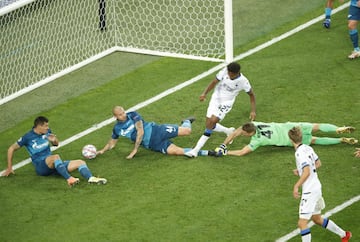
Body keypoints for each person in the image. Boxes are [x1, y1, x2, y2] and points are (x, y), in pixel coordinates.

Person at [288, 126, 352, 242]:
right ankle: (344, 235)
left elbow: (307, 171)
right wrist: (300, 171)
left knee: (302, 223)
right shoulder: (308, 148)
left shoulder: (298, 153)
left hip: (309, 190)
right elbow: (318, 163)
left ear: (290, 140)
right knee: (316, 218)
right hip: (316, 187)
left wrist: (296, 186)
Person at [3, 116, 107, 187]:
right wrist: (9, 167)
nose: (48, 128)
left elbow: (56, 144)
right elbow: (11, 148)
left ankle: (91, 178)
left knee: (80, 162)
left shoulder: (47, 132)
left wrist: (54, 141)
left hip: (53, 164)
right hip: (41, 166)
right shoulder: (27, 137)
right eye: (46, 126)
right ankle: (69, 179)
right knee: (56, 157)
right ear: (39, 126)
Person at [184, 62, 256, 158]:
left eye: (231, 74)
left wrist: (253, 111)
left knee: (212, 122)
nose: (229, 75)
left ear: (237, 72)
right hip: (215, 99)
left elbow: (251, 94)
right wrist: (204, 93)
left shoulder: (243, 81)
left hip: (226, 103)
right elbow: (214, 82)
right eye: (229, 73)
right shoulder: (224, 71)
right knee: (209, 124)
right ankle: (228, 131)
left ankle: (196, 150)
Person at [97, 106, 213, 158]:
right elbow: (112, 142)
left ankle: (186, 121)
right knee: (178, 152)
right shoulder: (117, 128)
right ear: (115, 117)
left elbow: (140, 131)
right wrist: (101, 151)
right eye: (121, 114)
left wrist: (135, 149)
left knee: (187, 131)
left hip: (157, 131)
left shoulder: (133, 115)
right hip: (153, 144)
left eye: (123, 112)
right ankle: (208, 153)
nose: (124, 115)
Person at [212, 121, 357, 157]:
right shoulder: (255, 124)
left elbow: (242, 152)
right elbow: (237, 131)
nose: (242, 134)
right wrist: (224, 143)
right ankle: (337, 128)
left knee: (315, 140)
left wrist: (226, 151)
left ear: (250, 133)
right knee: (317, 126)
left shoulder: (257, 141)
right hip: (292, 127)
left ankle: (341, 140)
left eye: (244, 134)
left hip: (289, 139)